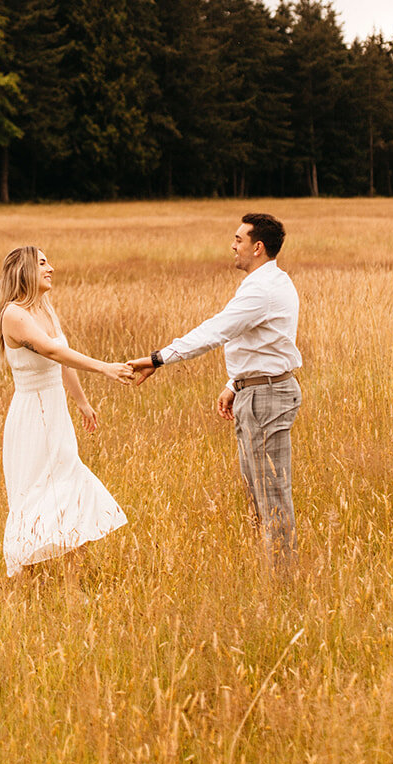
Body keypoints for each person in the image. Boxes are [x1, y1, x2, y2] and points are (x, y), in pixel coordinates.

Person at [129, 213, 302, 564]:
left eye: (238, 239)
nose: (232, 245)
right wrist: (234, 384)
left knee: (271, 495)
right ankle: (271, 571)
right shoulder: (267, 283)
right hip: (257, 392)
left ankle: (285, 583)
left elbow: (216, 331)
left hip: (266, 397)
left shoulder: (263, 289)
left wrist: (158, 358)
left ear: (258, 247)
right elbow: (262, 342)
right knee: (259, 494)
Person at [0, 245, 132, 577]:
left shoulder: (45, 310)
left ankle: (68, 583)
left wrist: (82, 403)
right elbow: (51, 349)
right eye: (43, 263)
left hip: (56, 412)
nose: (51, 268)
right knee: (37, 493)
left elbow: (60, 360)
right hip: (32, 416)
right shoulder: (14, 314)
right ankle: (32, 578)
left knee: (70, 487)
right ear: (25, 271)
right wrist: (105, 368)